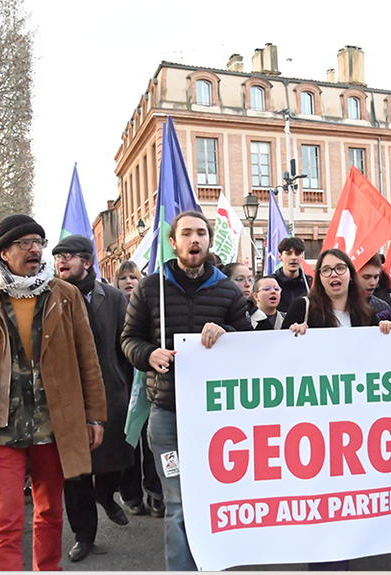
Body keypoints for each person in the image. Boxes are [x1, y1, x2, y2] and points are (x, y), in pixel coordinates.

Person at [0, 214, 107, 571]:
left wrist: (95, 414)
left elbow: (88, 359)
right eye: (25, 243)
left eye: (38, 242)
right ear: (4, 252)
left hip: (53, 426)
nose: (35, 249)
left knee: (51, 512)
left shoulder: (65, 296)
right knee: (5, 519)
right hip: (0, 430)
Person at [121, 210, 252, 570]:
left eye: (201, 234)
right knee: (178, 503)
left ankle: (215, 562)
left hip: (218, 418)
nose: (195, 240)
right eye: (187, 234)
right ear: (173, 242)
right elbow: (128, 340)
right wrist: (150, 355)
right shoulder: (150, 288)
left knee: (217, 499)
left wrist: (228, 336)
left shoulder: (227, 290)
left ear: (209, 241)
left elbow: (249, 346)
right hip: (167, 416)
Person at [284, 248, 391, 571]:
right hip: (316, 421)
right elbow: (275, 359)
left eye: (340, 269)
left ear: (350, 274)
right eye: (326, 270)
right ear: (318, 278)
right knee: (322, 496)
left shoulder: (367, 313)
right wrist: (292, 338)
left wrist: (385, 336)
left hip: (355, 422)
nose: (334, 275)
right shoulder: (302, 309)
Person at [53, 235, 135, 562]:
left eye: (69, 256)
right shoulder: (50, 298)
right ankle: (83, 536)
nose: (61, 261)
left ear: (87, 262)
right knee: (75, 473)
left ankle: (106, 495)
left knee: (115, 460)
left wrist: (127, 387)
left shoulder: (114, 298)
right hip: (68, 397)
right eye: (58, 256)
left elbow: (126, 344)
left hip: (111, 393)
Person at [114, 260, 165, 519]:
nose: (129, 282)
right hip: (123, 388)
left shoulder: (153, 305)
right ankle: (131, 495)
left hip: (151, 384)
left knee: (153, 444)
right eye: (123, 278)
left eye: (133, 277)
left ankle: (156, 495)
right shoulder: (112, 305)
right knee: (129, 445)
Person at [272, 237, 312, 312]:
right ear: (280, 256)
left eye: (297, 254)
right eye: (288, 253)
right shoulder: (271, 283)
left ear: (302, 256)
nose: (293, 257)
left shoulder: (310, 283)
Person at [354, 254, 391, 322]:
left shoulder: (383, 309)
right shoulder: (339, 306)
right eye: (366, 277)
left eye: (376, 277)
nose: (373, 283)